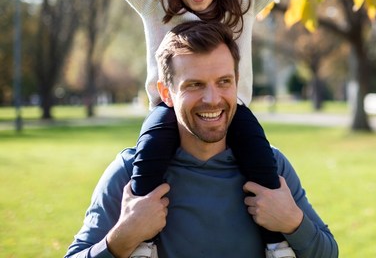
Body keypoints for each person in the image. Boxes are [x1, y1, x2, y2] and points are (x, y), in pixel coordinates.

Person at [58, 0, 334, 257]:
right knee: (150, 153)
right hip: (166, 110)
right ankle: (144, 241)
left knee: (259, 157)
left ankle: (277, 242)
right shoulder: (157, 3)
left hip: (237, 110)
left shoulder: (241, 1)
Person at [64, 21, 339, 258]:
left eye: (224, 82)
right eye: (194, 84)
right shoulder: (130, 173)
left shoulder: (272, 167)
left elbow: (329, 252)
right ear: (167, 92)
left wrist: (293, 222)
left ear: (237, 82)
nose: (212, 99)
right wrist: (123, 237)